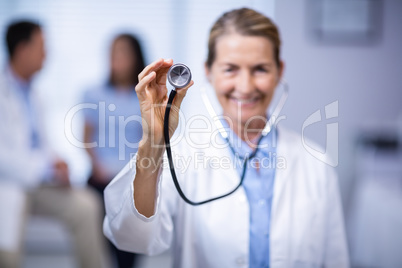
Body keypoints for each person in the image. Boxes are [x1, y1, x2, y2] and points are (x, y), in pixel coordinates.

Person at [103, 8, 349, 268]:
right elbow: (132, 237)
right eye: (230, 69)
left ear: (279, 71)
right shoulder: (185, 154)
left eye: (260, 69)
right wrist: (153, 143)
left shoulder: (316, 162)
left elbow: (335, 259)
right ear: (208, 71)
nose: (245, 86)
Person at [0, 20, 108, 268]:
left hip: (38, 183)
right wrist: (46, 168)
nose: (46, 55)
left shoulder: (35, 95)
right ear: (22, 50)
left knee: (86, 205)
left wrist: (57, 163)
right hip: (7, 185)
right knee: (7, 255)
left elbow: (40, 144)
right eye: (41, 47)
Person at [82, 33, 144, 268]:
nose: (116, 58)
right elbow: (87, 139)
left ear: (135, 57)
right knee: (98, 247)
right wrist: (98, 165)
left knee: (129, 248)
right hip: (101, 178)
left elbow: (151, 143)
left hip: (134, 180)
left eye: (123, 52)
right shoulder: (93, 93)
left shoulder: (145, 97)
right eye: (113, 52)